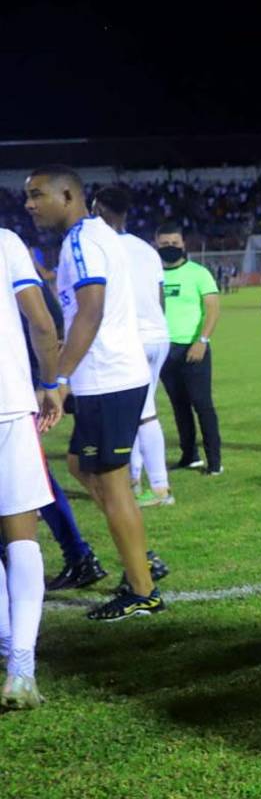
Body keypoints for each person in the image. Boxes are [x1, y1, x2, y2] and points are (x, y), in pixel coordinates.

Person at [24, 165, 164, 621]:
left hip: (108, 377)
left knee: (111, 479)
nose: (29, 204)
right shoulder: (92, 235)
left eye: (37, 195)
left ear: (68, 195)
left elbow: (91, 310)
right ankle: (139, 555)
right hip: (106, 376)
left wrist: (58, 379)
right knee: (79, 464)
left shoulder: (83, 240)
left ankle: (142, 589)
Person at [19, 244, 109, 591]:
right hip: (17, 388)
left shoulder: (21, 274)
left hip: (16, 391)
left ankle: (79, 555)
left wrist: (47, 384)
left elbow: (51, 327)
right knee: (31, 477)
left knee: (36, 477)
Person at [1, 225, 63, 706]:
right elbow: (40, 322)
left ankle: (8, 648)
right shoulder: (5, 242)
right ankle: (21, 666)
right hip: (7, 405)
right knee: (21, 534)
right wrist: (51, 381)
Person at [92, 188, 174, 507]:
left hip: (130, 337)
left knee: (140, 413)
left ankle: (156, 488)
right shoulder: (146, 248)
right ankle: (142, 482)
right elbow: (160, 297)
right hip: (158, 336)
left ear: (98, 210)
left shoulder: (103, 247)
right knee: (143, 408)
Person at [155, 223, 223, 475]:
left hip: (194, 348)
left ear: (183, 244)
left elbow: (213, 309)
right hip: (164, 349)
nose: (170, 248)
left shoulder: (198, 273)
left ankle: (214, 462)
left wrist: (201, 341)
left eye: (174, 243)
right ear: (156, 245)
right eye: (164, 244)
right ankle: (189, 455)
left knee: (202, 404)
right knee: (179, 405)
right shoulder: (155, 275)